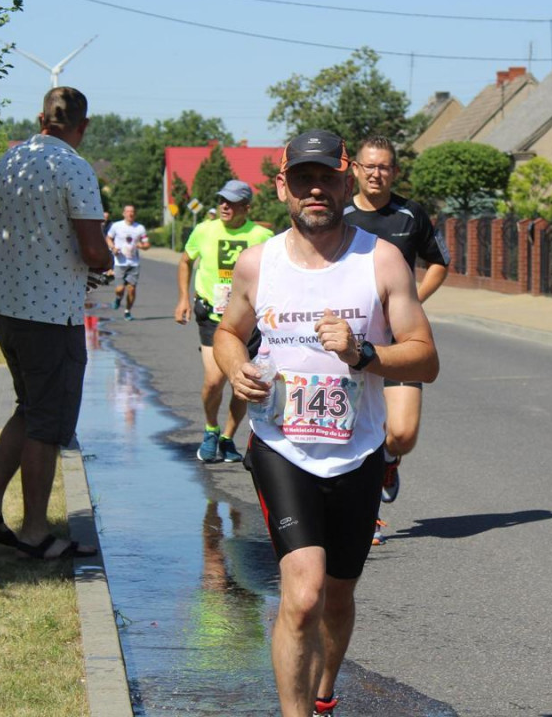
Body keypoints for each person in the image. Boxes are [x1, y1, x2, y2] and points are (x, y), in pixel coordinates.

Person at [213, 129, 439, 717]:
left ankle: (322, 697)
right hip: (281, 447)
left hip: (358, 452)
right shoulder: (257, 263)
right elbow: (228, 332)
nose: (315, 190)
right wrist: (236, 368)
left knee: (337, 595)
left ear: (345, 182)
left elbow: (425, 358)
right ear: (282, 186)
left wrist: (365, 353)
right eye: (302, 179)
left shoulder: (381, 260)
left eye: (326, 179)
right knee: (304, 592)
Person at [0, 86, 113, 560]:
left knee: (28, 408)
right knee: (47, 425)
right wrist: (104, 261)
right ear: (82, 125)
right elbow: (93, 250)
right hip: (50, 315)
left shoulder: (8, 162)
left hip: (4, 306)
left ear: (40, 118)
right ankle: (34, 532)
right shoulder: (74, 167)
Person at [343, 135, 450, 544]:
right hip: (350, 340)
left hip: (399, 340)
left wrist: (413, 301)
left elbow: (438, 262)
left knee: (402, 433)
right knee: (354, 429)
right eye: (369, 166)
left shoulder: (410, 213)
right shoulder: (341, 213)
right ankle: (365, 515)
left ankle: (388, 461)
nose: (376, 174)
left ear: (395, 171)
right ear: (355, 169)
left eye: (384, 167)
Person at [175, 180, 273, 464]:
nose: (224, 206)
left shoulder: (262, 236)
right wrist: (183, 299)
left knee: (242, 380)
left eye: (231, 202)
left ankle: (228, 437)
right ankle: (210, 429)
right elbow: (185, 261)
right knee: (214, 380)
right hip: (212, 317)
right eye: (221, 201)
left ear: (246, 207)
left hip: (248, 321)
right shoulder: (204, 230)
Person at [106, 204, 150, 320]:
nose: (130, 214)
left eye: (132, 212)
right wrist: (113, 248)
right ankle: (118, 299)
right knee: (120, 289)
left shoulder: (140, 228)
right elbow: (108, 238)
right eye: (128, 211)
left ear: (135, 214)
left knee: (131, 289)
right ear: (123, 213)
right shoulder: (116, 226)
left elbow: (146, 244)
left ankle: (127, 311)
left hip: (134, 263)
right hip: (120, 262)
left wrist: (142, 246)